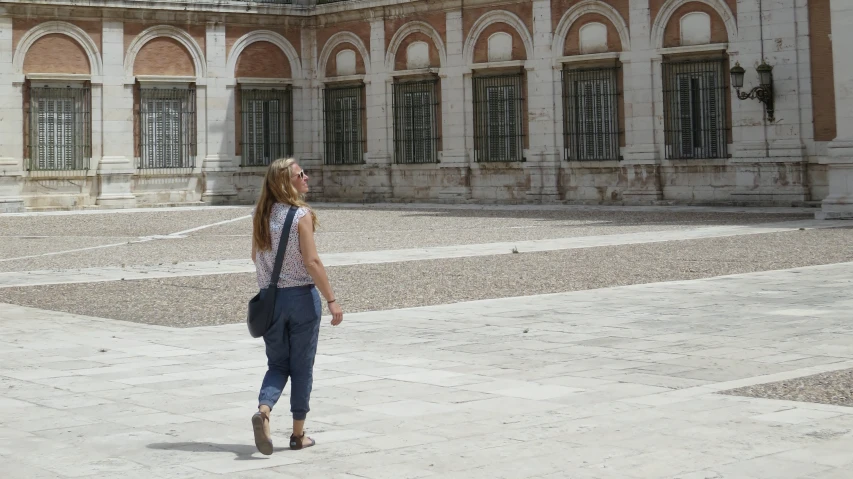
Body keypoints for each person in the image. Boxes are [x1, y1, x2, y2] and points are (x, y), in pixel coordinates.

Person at [250, 157, 344, 454]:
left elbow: (255, 256)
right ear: (286, 183)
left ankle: (264, 412)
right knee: (302, 367)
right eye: (299, 174)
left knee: (278, 364)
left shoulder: (260, 214)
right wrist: (332, 299)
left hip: (271, 299)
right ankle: (298, 434)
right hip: (301, 299)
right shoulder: (301, 215)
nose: (306, 177)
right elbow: (312, 261)